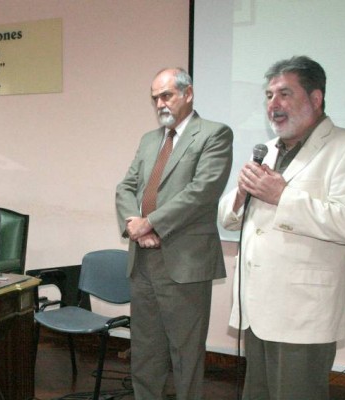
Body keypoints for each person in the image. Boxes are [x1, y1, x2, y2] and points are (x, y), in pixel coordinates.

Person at [218, 56, 345, 399]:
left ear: (316, 99)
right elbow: (227, 218)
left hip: (304, 311)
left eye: (284, 94)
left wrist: (283, 196)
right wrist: (242, 195)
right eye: (269, 95)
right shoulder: (270, 150)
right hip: (257, 306)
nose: (273, 104)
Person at [116, 68, 233, 400]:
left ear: (188, 94)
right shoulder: (149, 140)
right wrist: (134, 226)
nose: (159, 104)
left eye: (166, 95)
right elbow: (125, 187)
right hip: (143, 261)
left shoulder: (214, 134)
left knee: (186, 354)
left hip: (184, 263)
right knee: (145, 350)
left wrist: (150, 222)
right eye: (155, 98)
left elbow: (202, 192)